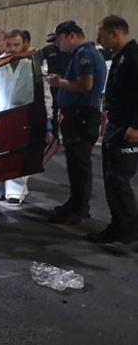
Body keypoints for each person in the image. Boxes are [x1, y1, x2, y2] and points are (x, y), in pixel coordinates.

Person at [46, 21, 107, 224]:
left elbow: (85, 85)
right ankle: (76, 205)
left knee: (79, 165)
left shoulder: (85, 54)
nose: (57, 45)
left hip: (81, 117)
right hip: (80, 116)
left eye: (59, 40)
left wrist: (59, 82)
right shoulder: (84, 53)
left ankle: (79, 210)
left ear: (71, 36)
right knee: (77, 164)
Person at [90, 15, 138, 251]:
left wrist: (136, 127)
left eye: (102, 34)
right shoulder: (120, 56)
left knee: (120, 179)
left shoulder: (133, 57)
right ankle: (118, 225)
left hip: (128, 129)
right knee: (110, 178)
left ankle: (130, 230)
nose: (99, 39)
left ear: (115, 33)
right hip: (116, 125)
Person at [0, 29, 34, 205]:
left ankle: (15, 192)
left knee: (18, 155)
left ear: (24, 44)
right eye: (9, 45)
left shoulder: (32, 64)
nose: (12, 48)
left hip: (21, 115)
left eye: (16, 45)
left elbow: (43, 93)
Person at [38, 42, 73, 140]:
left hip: (66, 83)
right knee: (53, 108)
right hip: (52, 83)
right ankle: (54, 134)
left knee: (67, 110)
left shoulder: (69, 50)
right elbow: (41, 63)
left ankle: (66, 134)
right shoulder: (48, 50)